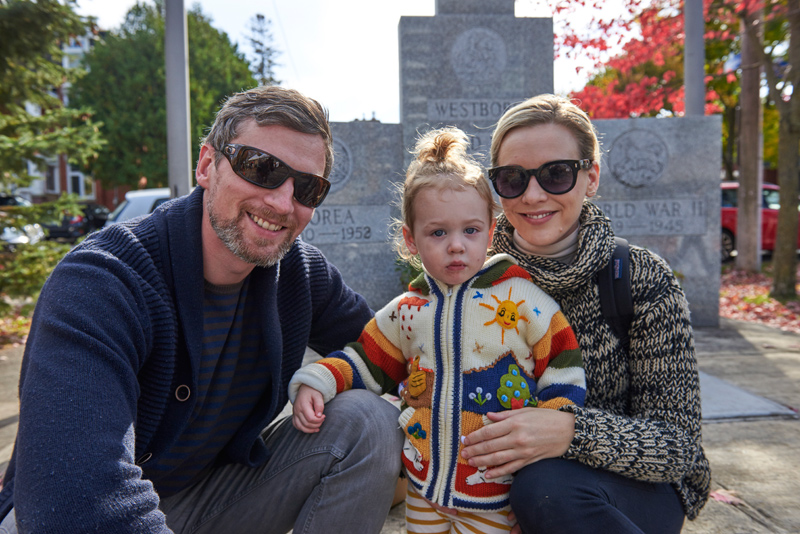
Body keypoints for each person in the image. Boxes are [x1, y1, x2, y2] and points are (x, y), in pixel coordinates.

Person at [0, 86, 404, 534]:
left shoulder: (301, 275)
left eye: (308, 188)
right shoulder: (101, 281)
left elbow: (393, 350)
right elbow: (75, 501)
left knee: (370, 420)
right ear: (208, 165)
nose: (282, 202)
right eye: (261, 168)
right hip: (70, 515)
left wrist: (485, 422)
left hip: (206, 498)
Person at [289, 127, 586, 534]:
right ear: (411, 240)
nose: (456, 246)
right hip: (423, 487)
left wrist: (552, 427)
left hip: (495, 488)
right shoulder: (408, 311)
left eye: (470, 230)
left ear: (491, 229)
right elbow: (366, 359)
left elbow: (563, 365)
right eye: (438, 232)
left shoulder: (520, 300)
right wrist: (318, 379)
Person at [458, 94, 710, 534]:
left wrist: (569, 432)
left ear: (590, 177)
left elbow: (678, 445)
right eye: (512, 178)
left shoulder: (641, 278)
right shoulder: (469, 280)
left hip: (629, 488)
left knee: (545, 487)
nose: (533, 195)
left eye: (556, 174)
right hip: (489, 487)